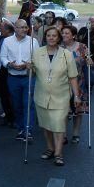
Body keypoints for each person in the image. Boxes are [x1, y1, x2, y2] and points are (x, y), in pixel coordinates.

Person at [28, 27, 80, 166]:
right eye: (49, 35)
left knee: (58, 125)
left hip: (61, 96)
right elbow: (33, 73)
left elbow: (73, 77)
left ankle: (58, 153)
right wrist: (30, 68)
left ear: (59, 38)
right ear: (46, 37)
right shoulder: (37, 53)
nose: (51, 38)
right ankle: (50, 148)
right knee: (46, 126)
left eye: (54, 36)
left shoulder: (66, 54)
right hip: (41, 96)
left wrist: (76, 96)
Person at [0, 19, 39, 142]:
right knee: (16, 105)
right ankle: (21, 128)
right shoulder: (7, 41)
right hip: (13, 78)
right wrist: (9, 64)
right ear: (15, 28)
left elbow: (37, 58)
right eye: (21, 27)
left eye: (25, 27)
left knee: (28, 104)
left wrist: (29, 64)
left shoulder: (33, 41)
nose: (24, 29)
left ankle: (28, 130)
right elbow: (3, 57)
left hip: (29, 77)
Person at [61, 26, 90, 144]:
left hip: (79, 82)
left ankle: (76, 133)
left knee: (78, 110)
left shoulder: (82, 47)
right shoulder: (59, 47)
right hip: (62, 83)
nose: (64, 35)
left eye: (67, 33)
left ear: (73, 35)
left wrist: (89, 61)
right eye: (62, 33)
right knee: (63, 110)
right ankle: (62, 134)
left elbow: (89, 60)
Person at [0, 20, 16, 127]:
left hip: (8, 70)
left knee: (8, 95)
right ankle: (9, 116)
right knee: (4, 95)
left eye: (1, 28)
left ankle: (12, 117)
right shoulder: (2, 38)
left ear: (7, 30)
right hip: (2, 70)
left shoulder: (10, 40)